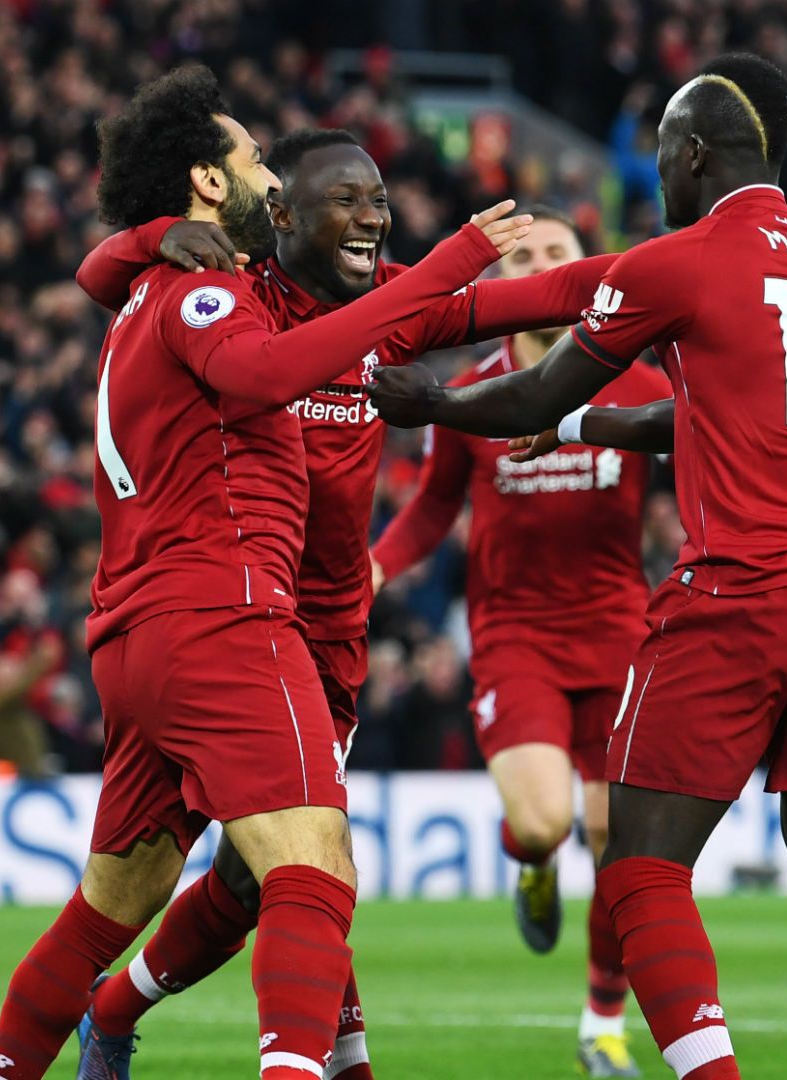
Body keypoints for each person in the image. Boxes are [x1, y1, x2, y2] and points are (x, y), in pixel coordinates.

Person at [0, 66, 532, 1080]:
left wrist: (648, 282)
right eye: (254, 160)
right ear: (204, 179)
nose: (271, 179)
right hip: (229, 619)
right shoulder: (213, 295)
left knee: (124, 899)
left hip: (161, 634)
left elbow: (106, 268)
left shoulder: (161, 280)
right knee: (313, 873)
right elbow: (267, 371)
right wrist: (453, 257)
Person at [371, 53, 787, 1080]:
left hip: (747, 590)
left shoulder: (680, 262)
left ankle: (672, 1057)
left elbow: (523, 398)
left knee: (642, 870)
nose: (655, 173)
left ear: (693, 152)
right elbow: (710, 410)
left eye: (661, 150)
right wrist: (592, 422)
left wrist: (431, 404)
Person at [69, 132, 619, 1080]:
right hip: (238, 618)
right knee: (310, 871)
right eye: (340, 200)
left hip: (331, 637)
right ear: (280, 215)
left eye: (378, 200)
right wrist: (152, 235)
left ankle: (114, 1009)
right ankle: (317, 1061)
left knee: (268, 880)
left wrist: (694, 262)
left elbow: (545, 296)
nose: (368, 219)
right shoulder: (241, 301)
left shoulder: (390, 308)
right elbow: (98, 269)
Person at [367, 208, 670, 1077]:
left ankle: (602, 1024)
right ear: (503, 281)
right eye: (526, 257)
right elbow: (430, 507)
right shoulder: (471, 392)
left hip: (620, 629)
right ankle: (531, 866)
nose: (542, 266)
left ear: (588, 272)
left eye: (558, 254)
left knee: (621, 839)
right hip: (515, 635)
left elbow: (696, 474)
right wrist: (378, 571)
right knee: (544, 825)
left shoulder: (633, 381)